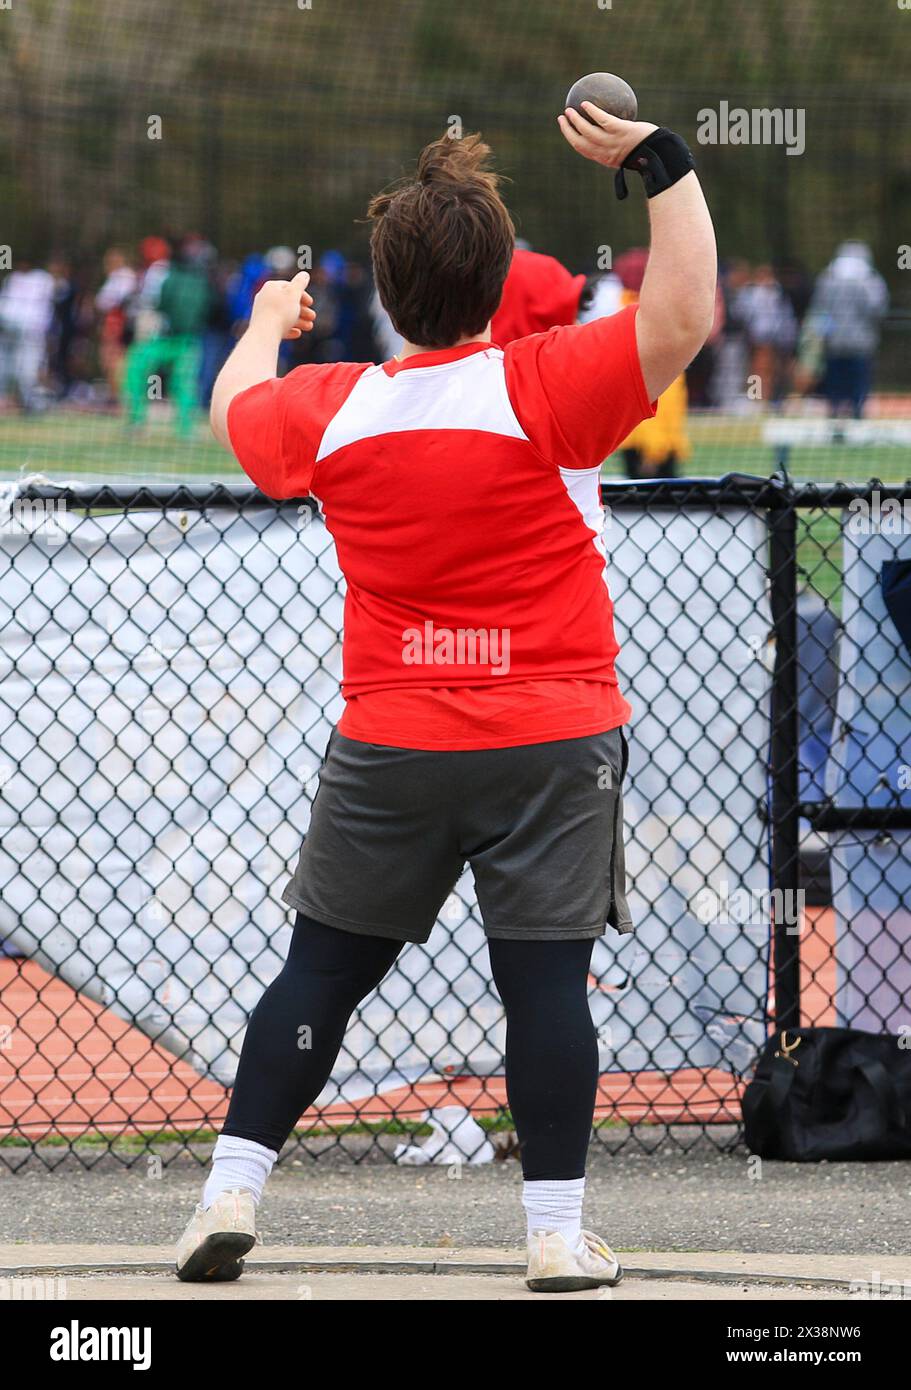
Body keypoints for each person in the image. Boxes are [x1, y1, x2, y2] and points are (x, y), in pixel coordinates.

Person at [177, 107, 716, 1293]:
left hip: (391, 739)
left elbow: (231, 414)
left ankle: (229, 1190)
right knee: (543, 987)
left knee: (317, 978)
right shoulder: (543, 385)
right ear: (499, 279)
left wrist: (265, 322)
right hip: (549, 735)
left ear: (385, 289)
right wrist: (657, 161)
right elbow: (684, 313)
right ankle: (552, 1232)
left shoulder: (335, 408)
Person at [809, 240, 889, 418]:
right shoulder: (871, 281)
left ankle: (838, 412)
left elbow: (819, 312)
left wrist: (823, 335)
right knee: (856, 383)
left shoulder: (827, 279)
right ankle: (855, 413)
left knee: (836, 382)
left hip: (836, 343)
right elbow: (878, 309)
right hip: (859, 343)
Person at [0, 258, 56, 412]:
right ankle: (7, 400)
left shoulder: (43, 279)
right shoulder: (12, 278)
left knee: (29, 370)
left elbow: (44, 308)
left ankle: (33, 403)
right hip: (10, 329)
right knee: (6, 365)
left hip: (31, 332)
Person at [95, 247, 137, 406]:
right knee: (109, 360)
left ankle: (119, 398)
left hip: (119, 324)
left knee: (116, 360)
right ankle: (114, 396)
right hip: (111, 323)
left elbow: (106, 301)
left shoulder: (124, 276)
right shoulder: (115, 277)